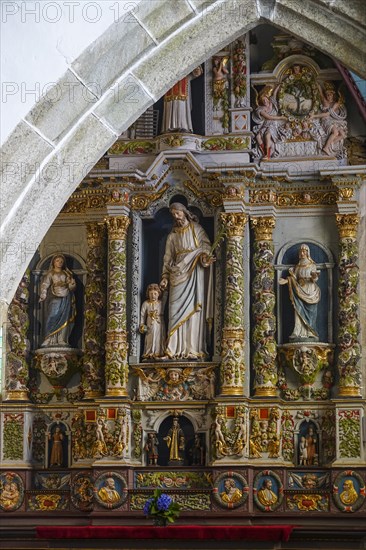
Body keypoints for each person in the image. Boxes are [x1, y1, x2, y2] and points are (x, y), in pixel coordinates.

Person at [160, 203, 214, 360]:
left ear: (184, 212)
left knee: (194, 310)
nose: (176, 216)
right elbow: (167, 258)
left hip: (195, 272)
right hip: (176, 274)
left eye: (178, 213)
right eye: (173, 214)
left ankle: (193, 349)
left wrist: (205, 257)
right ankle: (172, 349)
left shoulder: (196, 229)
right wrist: (164, 277)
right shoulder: (172, 236)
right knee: (174, 312)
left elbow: (206, 247)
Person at [279, 244, 321, 340]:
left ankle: (311, 331)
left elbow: (315, 279)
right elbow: (294, 279)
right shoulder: (297, 266)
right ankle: (297, 331)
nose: (302, 253)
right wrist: (287, 280)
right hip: (298, 290)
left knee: (311, 312)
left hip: (310, 290)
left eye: (304, 251)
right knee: (298, 310)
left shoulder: (312, 265)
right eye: (301, 251)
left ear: (307, 253)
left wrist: (314, 276)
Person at [39, 254, 76, 347]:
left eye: (61, 261)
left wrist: (71, 283)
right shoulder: (51, 273)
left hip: (65, 297)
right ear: (53, 262)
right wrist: (43, 294)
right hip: (54, 297)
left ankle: (61, 339)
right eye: (57, 261)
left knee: (64, 317)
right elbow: (45, 284)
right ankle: (48, 338)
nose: (59, 263)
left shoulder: (66, 273)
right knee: (52, 315)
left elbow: (72, 287)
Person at [162, 67, 203, 133]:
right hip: (170, 92)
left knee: (182, 108)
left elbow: (197, 73)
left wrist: (196, 66)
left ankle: (183, 127)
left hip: (183, 92)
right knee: (170, 108)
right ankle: (169, 127)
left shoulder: (186, 74)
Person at [311, 82, 347, 157]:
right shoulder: (325, 102)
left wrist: (314, 116)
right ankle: (326, 147)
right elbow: (320, 93)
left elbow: (328, 114)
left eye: (330, 94)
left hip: (333, 121)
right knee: (335, 132)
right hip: (326, 121)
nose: (328, 96)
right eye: (327, 95)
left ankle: (330, 144)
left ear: (333, 95)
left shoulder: (335, 104)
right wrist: (318, 85)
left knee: (343, 135)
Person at [252, 85, 287, 159]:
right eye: (263, 100)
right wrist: (281, 117)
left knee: (267, 135)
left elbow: (274, 93)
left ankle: (267, 154)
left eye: (265, 99)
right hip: (266, 124)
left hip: (273, 124)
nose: (265, 101)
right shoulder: (261, 109)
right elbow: (269, 117)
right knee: (258, 136)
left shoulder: (272, 102)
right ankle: (264, 152)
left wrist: (279, 85)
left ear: (267, 98)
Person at [139, 284, 166, 360]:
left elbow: (166, 297)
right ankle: (149, 353)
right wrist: (142, 324)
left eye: (155, 294)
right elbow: (142, 315)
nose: (153, 296)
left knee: (160, 337)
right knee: (150, 337)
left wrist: (165, 288)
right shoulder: (146, 303)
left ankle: (159, 353)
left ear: (158, 294)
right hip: (149, 323)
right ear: (148, 294)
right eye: (151, 294)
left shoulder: (161, 303)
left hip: (159, 323)